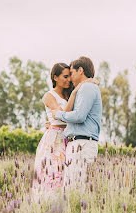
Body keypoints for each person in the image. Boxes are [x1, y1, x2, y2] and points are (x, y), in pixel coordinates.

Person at [34, 62, 98, 190]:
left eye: (69, 76)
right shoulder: (49, 95)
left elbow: (69, 115)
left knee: (67, 176)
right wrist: (74, 93)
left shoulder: (67, 95)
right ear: (55, 78)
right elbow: (63, 115)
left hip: (68, 138)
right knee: (53, 173)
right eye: (65, 76)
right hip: (55, 139)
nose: (69, 79)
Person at [52, 56, 102, 184]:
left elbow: (79, 116)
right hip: (79, 144)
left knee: (76, 188)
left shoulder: (87, 88)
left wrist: (58, 115)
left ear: (80, 70)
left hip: (82, 144)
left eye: (72, 73)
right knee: (73, 188)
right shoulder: (83, 88)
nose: (70, 78)